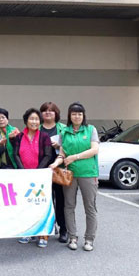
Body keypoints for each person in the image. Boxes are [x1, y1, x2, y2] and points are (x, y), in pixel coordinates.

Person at [49, 102, 99, 252]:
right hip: (69, 174)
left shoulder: (90, 129)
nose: (77, 116)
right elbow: (62, 154)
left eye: (79, 114)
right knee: (69, 206)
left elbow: (94, 150)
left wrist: (74, 157)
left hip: (88, 173)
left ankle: (89, 239)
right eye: (74, 114)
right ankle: (72, 237)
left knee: (90, 207)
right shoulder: (64, 132)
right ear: (69, 116)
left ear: (83, 115)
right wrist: (55, 163)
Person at [12, 108, 53, 248]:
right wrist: (23, 171)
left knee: (41, 205)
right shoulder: (19, 137)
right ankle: (28, 231)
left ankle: (43, 234)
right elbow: (15, 154)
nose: (34, 122)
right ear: (26, 121)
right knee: (26, 205)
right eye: (31, 119)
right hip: (24, 177)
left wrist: (37, 172)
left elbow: (48, 155)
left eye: (36, 119)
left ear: (40, 121)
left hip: (40, 177)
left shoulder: (44, 137)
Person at [40, 101, 68, 243]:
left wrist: (59, 146)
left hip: (59, 169)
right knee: (45, 200)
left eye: (51, 110)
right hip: (42, 170)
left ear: (56, 113)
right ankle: (48, 227)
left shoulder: (63, 129)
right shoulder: (36, 128)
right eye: (45, 110)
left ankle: (63, 229)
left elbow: (71, 147)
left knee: (61, 200)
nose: (48, 113)